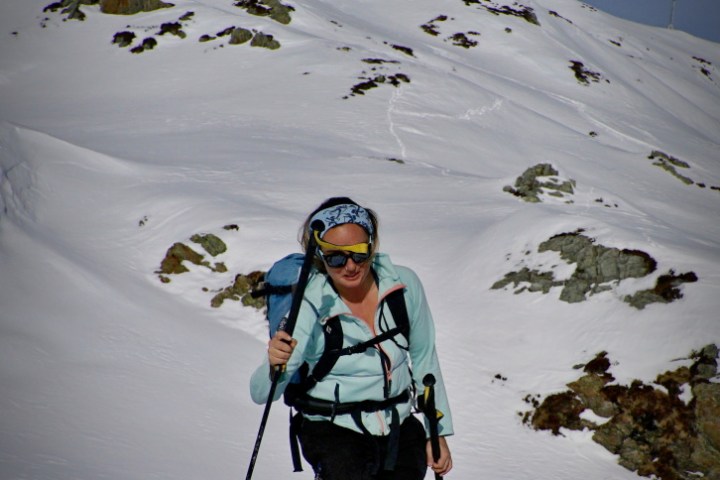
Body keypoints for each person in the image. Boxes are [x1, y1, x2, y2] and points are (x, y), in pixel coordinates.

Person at [250, 197, 453, 480]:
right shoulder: (310, 302)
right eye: (335, 257)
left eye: (359, 252)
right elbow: (261, 393)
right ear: (319, 255)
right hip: (334, 432)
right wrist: (274, 364)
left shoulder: (404, 286)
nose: (350, 266)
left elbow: (424, 360)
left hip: (399, 427)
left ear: (372, 244)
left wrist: (436, 432)